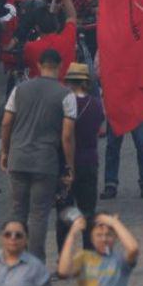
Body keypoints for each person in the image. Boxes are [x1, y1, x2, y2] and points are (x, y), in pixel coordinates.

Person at [0, 48, 76, 261]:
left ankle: (14, 257)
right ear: (60, 66)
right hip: (45, 161)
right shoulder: (66, 95)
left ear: (39, 65)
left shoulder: (19, 89)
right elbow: (67, 136)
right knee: (39, 215)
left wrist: (5, 151)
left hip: (18, 157)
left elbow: (6, 122)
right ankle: (35, 261)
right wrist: (69, 166)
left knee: (17, 212)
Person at [54, 63, 104, 254]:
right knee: (88, 213)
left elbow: (62, 135)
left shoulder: (63, 104)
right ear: (86, 83)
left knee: (64, 214)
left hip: (65, 164)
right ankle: (89, 256)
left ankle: (64, 258)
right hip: (89, 160)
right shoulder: (96, 104)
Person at [58, 213, 140, 286]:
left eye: (108, 235)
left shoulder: (119, 261)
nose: (104, 239)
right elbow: (63, 271)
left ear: (115, 237)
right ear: (91, 238)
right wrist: (72, 234)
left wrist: (114, 223)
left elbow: (133, 249)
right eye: (99, 235)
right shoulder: (83, 258)